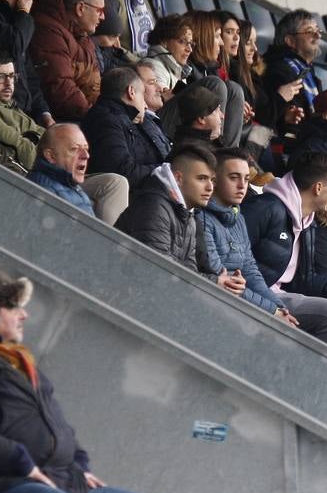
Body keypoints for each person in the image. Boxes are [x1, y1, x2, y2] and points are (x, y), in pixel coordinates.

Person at [0, 268, 155, 493]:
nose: (23, 315)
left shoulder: (18, 361)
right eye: (13, 307)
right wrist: (21, 462)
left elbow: (56, 425)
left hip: (55, 479)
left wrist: (78, 464)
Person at [243, 151, 327, 353]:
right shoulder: (266, 208)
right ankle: (311, 377)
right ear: (318, 188)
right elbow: (237, 258)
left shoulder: (307, 221)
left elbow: (304, 279)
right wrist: (270, 304)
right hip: (257, 295)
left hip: (280, 295)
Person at [198, 148, 294, 322]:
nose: (243, 186)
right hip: (213, 303)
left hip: (239, 303)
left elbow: (250, 270)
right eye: (234, 178)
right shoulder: (202, 217)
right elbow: (226, 282)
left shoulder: (238, 217)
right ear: (215, 179)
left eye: (247, 178)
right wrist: (272, 312)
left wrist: (280, 307)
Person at [115, 141, 214, 269]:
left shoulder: (188, 214)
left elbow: (191, 269)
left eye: (212, 180)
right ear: (178, 178)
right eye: (202, 178)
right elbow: (158, 269)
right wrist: (215, 281)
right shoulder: (153, 206)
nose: (210, 187)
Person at [81, 65, 171, 188]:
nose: (145, 104)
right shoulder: (105, 120)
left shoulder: (126, 118)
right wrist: (167, 172)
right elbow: (122, 171)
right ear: (131, 92)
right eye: (142, 94)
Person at [28, 0, 104, 121]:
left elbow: (94, 84)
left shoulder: (80, 31)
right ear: (80, 8)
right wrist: (96, 117)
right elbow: (60, 88)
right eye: (100, 10)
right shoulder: (48, 30)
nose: (103, 17)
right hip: (64, 119)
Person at [28, 123, 128, 224]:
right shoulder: (47, 194)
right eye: (74, 149)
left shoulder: (68, 184)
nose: (86, 155)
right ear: (51, 156)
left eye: (86, 149)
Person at [258, 9, 322, 137]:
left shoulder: (304, 68)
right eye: (310, 31)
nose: (318, 36)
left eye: (318, 30)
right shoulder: (278, 68)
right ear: (290, 41)